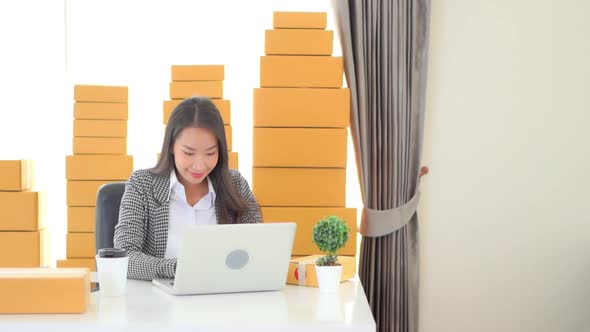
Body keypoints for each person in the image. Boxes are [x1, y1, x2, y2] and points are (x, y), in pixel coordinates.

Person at [114, 96, 262, 280]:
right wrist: (181, 268)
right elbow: (124, 257)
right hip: (156, 303)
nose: (199, 166)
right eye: (189, 153)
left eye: (210, 153)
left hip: (223, 301)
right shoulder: (142, 185)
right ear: (171, 147)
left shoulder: (236, 184)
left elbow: (258, 249)